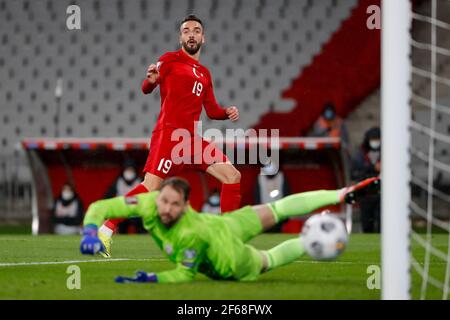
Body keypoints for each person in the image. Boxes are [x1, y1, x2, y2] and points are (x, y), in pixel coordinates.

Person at [98, 14, 242, 256]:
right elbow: (147, 87)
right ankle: (106, 227)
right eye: (186, 31)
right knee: (150, 188)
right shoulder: (169, 60)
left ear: (203, 38)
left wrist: (226, 112)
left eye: (196, 30)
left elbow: (212, 110)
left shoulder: (205, 74)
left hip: (193, 140)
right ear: (181, 37)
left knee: (232, 175)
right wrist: (149, 81)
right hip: (170, 135)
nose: (191, 34)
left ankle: (226, 237)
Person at [80, 176, 380, 283]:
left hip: (226, 239)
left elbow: (183, 275)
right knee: (272, 239)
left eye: (174, 204)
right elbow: (100, 207)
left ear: (187, 206)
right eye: (164, 201)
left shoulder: (188, 232)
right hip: (226, 245)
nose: (167, 208)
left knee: (277, 217)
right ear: (156, 198)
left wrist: (152, 280)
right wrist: (90, 231)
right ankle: (312, 242)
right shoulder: (146, 204)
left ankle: (341, 194)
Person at [351, 127, 381, 233]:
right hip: (366, 192)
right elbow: (355, 172)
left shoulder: (386, 152)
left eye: (377, 138)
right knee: (366, 222)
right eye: (373, 138)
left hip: (380, 192)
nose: (375, 141)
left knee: (381, 221)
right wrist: (373, 168)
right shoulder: (360, 153)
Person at [104, 159, 145, 234]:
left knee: (142, 228)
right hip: (122, 213)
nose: (129, 172)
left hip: (137, 214)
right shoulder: (117, 182)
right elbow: (107, 199)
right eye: (127, 169)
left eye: (131, 170)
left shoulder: (141, 181)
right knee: (120, 228)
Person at [254, 162, 292, 232]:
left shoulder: (281, 177)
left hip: (278, 209)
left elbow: (287, 193)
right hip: (264, 209)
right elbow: (257, 196)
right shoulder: (260, 178)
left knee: (277, 229)